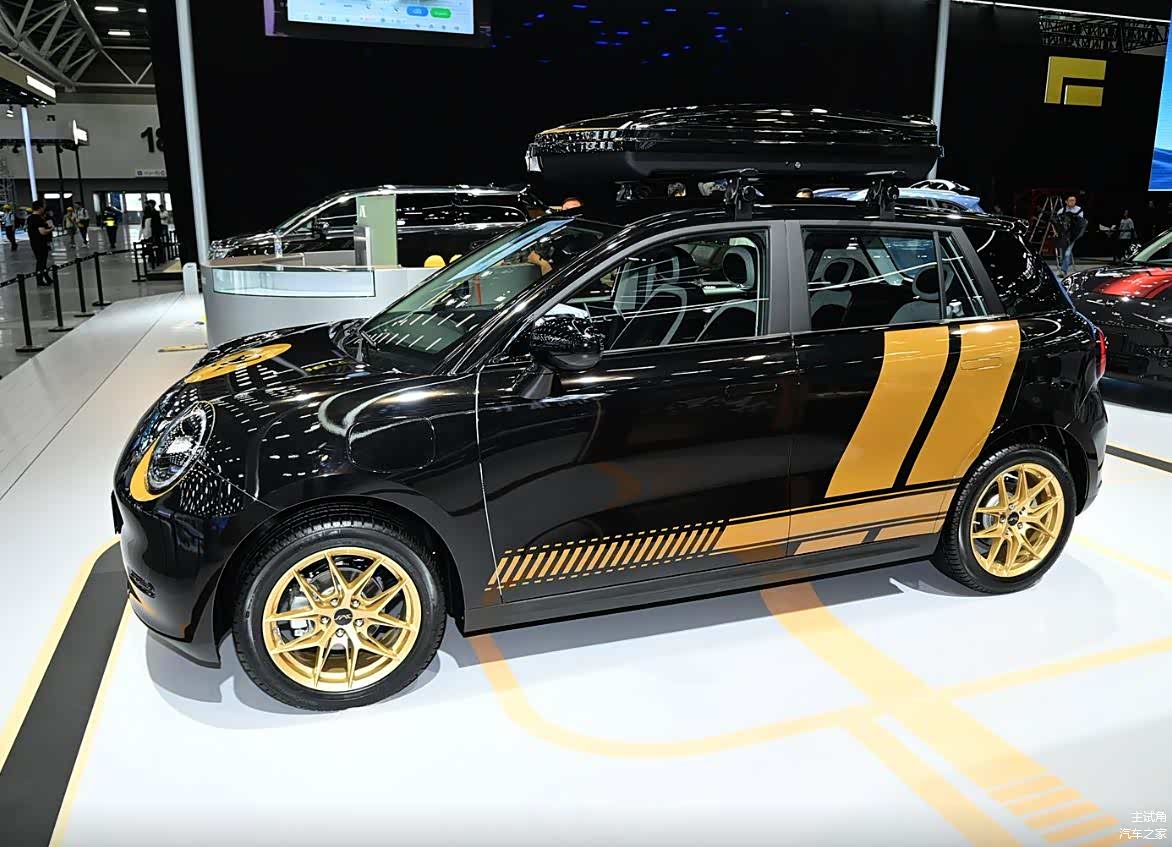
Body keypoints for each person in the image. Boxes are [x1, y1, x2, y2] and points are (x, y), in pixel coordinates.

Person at [1054, 194, 1087, 277]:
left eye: (1074, 200)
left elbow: (1080, 223)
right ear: (1066, 202)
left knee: (1067, 253)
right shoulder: (1061, 211)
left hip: (1074, 235)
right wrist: (1056, 232)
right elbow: (1055, 223)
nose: (1073, 202)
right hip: (1064, 235)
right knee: (1064, 253)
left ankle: (1063, 271)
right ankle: (1067, 262)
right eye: (1071, 200)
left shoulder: (1079, 210)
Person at [26, 199, 53, 286]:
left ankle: (47, 278)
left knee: (41, 261)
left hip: (34, 243)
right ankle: (40, 280)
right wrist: (51, 229)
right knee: (41, 262)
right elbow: (43, 232)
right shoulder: (37, 218)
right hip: (40, 243)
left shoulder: (30, 218)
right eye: (42, 207)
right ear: (40, 208)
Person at [143, 199, 164, 265]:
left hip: (155, 232)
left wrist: (159, 232)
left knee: (157, 245)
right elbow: (144, 223)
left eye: (149, 204)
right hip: (148, 233)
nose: (147, 206)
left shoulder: (156, 213)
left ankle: (160, 258)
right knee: (149, 245)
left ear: (152, 205)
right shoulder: (146, 213)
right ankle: (151, 258)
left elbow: (158, 224)